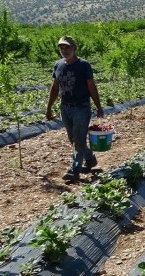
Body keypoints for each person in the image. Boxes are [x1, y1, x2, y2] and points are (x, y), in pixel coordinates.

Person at [46, 36, 105, 182]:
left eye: (67, 47)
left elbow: (92, 87)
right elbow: (54, 88)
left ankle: (75, 170)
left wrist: (98, 107)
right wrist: (49, 108)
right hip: (65, 107)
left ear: (74, 48)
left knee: (78, 139)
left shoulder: (83, 65)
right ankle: (90, 159)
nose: (64, 50)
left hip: (81, 108)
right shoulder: (58, 65)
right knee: (73, 139)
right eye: (61, 47)